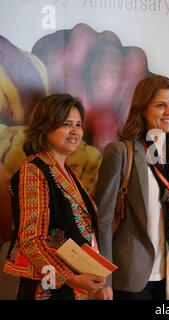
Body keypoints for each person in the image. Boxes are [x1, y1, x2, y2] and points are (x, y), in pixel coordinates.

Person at [94, 75, 169, 300]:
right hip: (134, 277)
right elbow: (104, 221)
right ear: (142, 110)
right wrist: (104, 279)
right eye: (160, 105)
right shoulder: (120, 152)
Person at [3, 94, 105, 300]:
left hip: (73, 287)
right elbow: (31, 241)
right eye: (67, 124)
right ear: (46, 127)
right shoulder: (32, 171)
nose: (75, 131)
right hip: (46, 289)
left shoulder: (65, 170)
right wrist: (72, 278)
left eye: (78, 124)